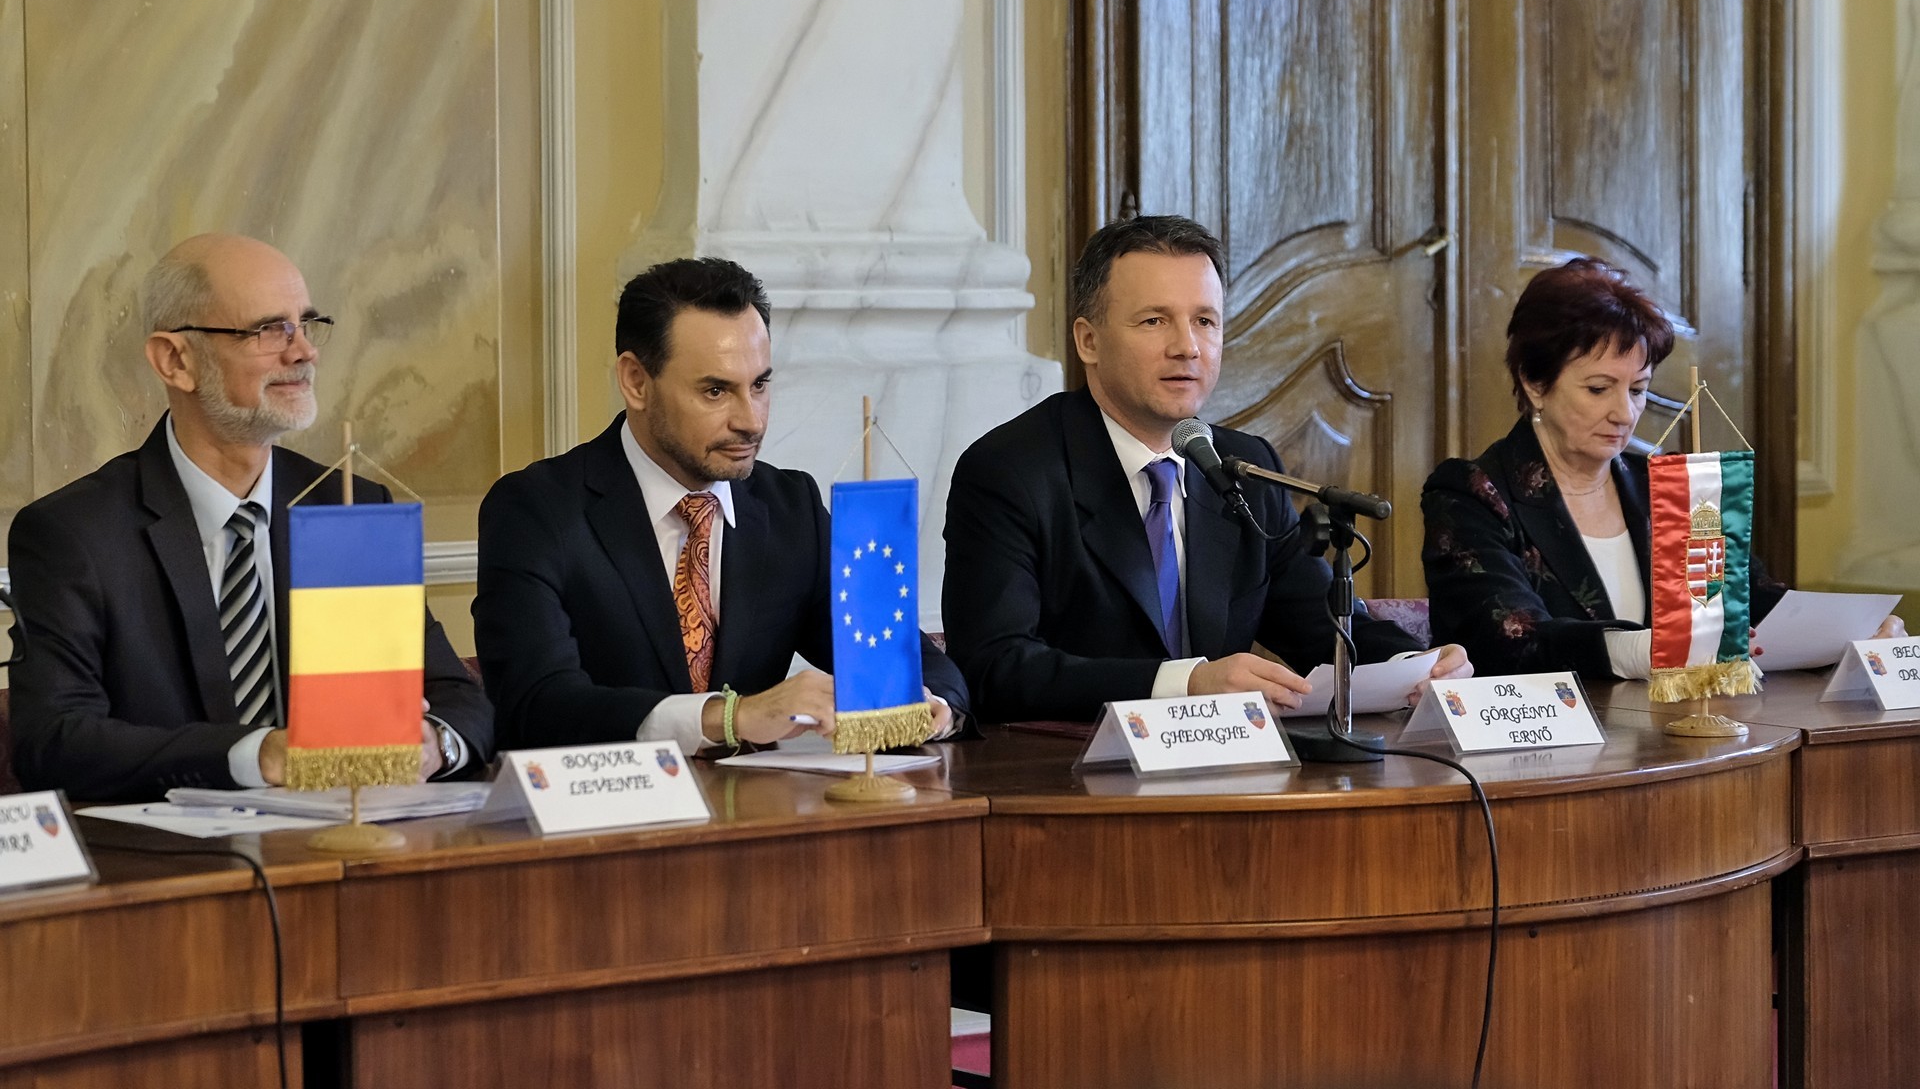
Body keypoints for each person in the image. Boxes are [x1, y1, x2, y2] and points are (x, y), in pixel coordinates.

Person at [7, 234, 494, 801]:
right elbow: (55, 741)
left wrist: (434, 743)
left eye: (306, 324)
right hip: (175, 849)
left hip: (353, 832)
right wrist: (257, 754)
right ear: (175, 360)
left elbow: (458, 697)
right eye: (269, 330)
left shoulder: (347, 505)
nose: (304, 352)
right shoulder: (75, 533)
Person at [941, 215, 1472, 723]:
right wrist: (1185, 684)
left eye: (1204, 321)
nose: (1186, 347)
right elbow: (994, 667)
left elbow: (1321, 628)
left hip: (1228, 764)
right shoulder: (1009, 472)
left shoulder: (1245, 469)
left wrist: (1417, 665)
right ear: (1089, 341)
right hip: (1069, 768)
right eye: (1154, 321)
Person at [474, 257, 969, 754]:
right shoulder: (535, 511)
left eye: (760, 385)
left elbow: (914, 662)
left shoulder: (791, 509)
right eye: (716, 391)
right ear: (636, 381)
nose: (751, 421)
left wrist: (930, 708)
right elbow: (534, 706)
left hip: (755, 800)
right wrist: (731, 716)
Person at [1421, 255, 1902, 680]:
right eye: (1598, 389)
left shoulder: (1664, 483)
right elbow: (1509, 639)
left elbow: (1748, 601)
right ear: (1534, 383)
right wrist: (1646, 650)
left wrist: (1852, 631)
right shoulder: (1472, 493)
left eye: (1637, 390)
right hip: (1543, 740)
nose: (1624, 413)